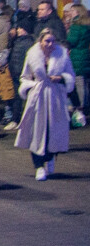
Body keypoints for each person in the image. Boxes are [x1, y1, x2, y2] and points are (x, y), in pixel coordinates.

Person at [14, 27, 75, 180]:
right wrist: (30, 86)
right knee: (37, 131)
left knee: (53, 130)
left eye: (53, 41)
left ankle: (50, 158)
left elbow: (71, 75)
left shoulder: (62, 55)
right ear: (40, 41)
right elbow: (24, 76)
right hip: (38, 97)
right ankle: (38, 166)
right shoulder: (32, 54)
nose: (50, 44)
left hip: (55, 98)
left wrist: (60, 77)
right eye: (47, 41)